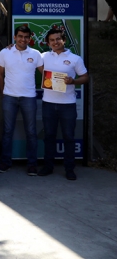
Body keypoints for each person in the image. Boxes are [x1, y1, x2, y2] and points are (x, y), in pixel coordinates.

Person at [38, 28, 89, 180]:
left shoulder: (75, 59)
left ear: (64, 40)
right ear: (48, 43)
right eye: (52, 40)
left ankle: (69, 168)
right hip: (48, 103)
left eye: (58, 39)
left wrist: (74, 81)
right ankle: (48, 166)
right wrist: (10, 47)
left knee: (68, 137)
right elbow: (27, 55)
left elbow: (85, 77)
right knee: (49, 136)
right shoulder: (44, 56)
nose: (55, 42)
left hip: (68, 104)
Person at [0, 25, 43, 175]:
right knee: (7, 131)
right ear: (15, 37)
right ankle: (5, 162)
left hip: (29, 97)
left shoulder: (36, 54)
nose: (23, 39)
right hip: (9, 96)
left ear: (30, 39)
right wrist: (3, 92)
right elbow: (0, 74)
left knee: (31, 131)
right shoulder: (5, 52)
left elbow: (46, 74)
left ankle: (32, 164)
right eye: (20, 36)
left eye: (26, 37)